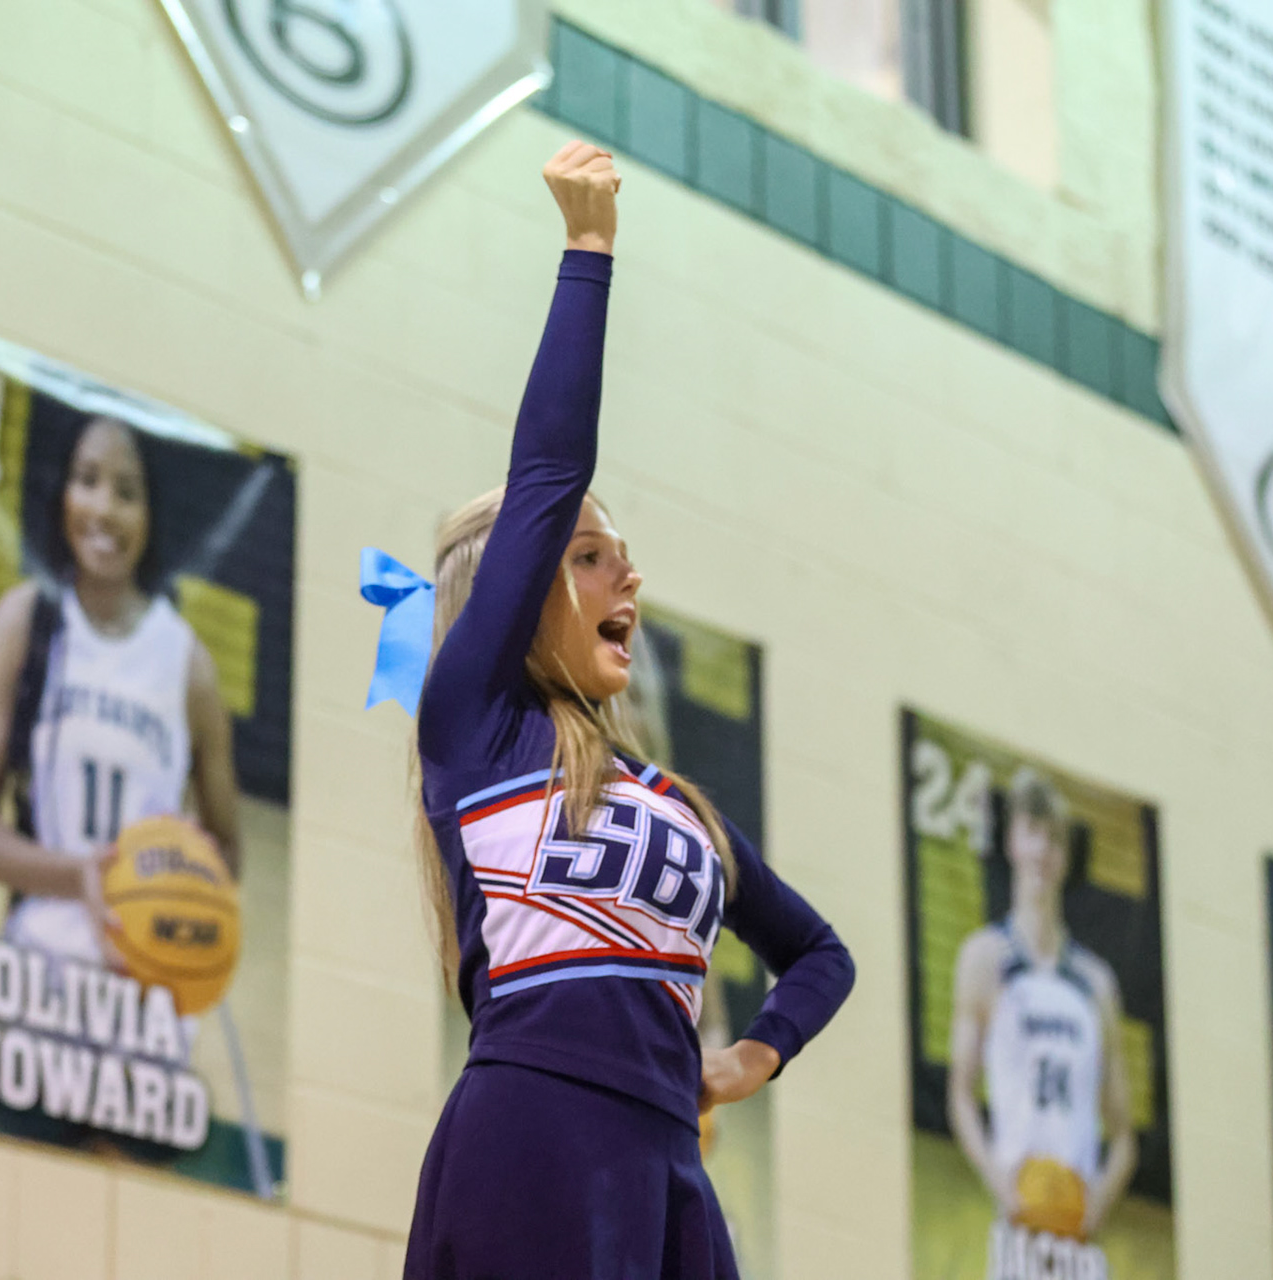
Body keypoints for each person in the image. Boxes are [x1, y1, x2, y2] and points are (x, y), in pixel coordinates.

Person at [402, 141, 856, 1280]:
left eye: (628, 558)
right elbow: (550, 467)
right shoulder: (476, 729)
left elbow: (819, 953)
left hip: (666, 1170)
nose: (629, 581)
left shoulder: (674, 804)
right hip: (529, 1139)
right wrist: (588, 251)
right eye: (593, 558)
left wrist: (753, 1056)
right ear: (517, 592)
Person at [0, 413, 243, 976]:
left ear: (152, 512)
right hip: (37, 969)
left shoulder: (190, 665)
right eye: (87, 480)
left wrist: (179, 884)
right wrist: (81, 875)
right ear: (62, 492)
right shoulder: (24, 622)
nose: (104, 509)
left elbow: (227, 851)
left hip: (150, 985)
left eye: (127, 492)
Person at [947, 768, 1136, 1243]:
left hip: (1077, 1225)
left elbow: (1124, 1137)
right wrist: (1002, 1186)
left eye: (1053, 839)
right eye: (1032, 833)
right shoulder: (986, 958)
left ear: (1065, 856)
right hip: (1016, 1217)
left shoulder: (1096, 983)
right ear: (1012, 841)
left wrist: (1097, 1203)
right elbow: (961, 1096)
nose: (1042, 851)